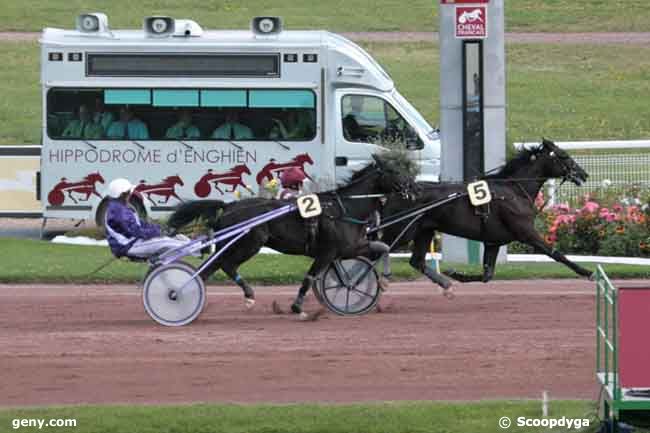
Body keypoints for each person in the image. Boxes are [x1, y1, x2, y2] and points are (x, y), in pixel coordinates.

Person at [104, 178, 189, 259]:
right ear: (122, 194)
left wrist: (161, 228)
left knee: (174, 239)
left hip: (132, 243)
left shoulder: (120, 207)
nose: (130, 194)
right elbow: (136, 231)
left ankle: (193, 247)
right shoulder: (118, 210)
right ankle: (196, 249)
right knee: (168, 243)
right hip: (128, 246)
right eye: (129, 192)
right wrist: (159, 232)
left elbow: (141, 224)